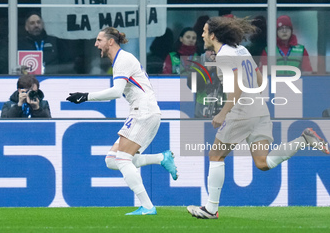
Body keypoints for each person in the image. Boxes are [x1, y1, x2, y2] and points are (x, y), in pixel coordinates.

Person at [187, 16, 329, 219]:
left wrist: (222, 113)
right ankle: (303, 139)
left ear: (213, 35)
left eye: (205, 31)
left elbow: (235, 90)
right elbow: (260, 78)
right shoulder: (241, 50)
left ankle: (210, 209)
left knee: (215, 156)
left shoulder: (224, 56)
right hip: (259, 108)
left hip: (242, 110)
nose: (202, 34)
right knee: (263, 162)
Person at [66, 27, 178, 215]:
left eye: (99, 40)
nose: (96, 44)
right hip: (143, 111)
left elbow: (117, 92)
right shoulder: (121, 60)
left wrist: (86, 96)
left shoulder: (123, 60)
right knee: (112, 160)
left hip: (143, 112)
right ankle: (161, 158)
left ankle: (148, 207)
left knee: (123, 159)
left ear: (110, 42)